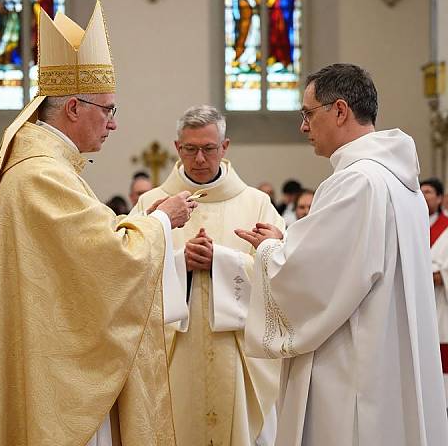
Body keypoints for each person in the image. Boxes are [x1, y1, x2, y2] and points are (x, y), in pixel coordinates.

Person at [0, 0, 197, 446]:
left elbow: (83, 253)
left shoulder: (45, 166)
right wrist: (162, 220)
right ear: (72, 108)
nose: (114, 124)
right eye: (108, 110)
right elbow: (108, 261)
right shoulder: (41, 173)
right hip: (57, 377)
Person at [236, 63, 448, 445]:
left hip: (352, 372)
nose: (303, 126)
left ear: (339, 110)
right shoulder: (402, 183)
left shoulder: (356, 181)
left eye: (307, 113)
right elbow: (347, 263)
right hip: (390, 363)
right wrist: (287, 244)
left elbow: (313, 282)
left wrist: (270, 250)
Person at [132, 105, 284, 446]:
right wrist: (178, 263)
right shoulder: (151, 205)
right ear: (177, 147)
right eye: (190, 149)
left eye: (209, 148)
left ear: (225, 147)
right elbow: (127, 270)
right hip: (173, 352)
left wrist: (221, 260)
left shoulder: (257, 204)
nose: (199, 158)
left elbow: (280, 272)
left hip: (237, 354)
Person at [421, 177, 448, 406]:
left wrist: (421, 275)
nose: (424, 195)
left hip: (440, 306)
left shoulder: (446, 229)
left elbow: (442, 275)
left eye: (428, 191)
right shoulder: (411, 224)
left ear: (440, 198)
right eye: (421, 191)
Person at [232, 0, 256, 66]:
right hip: (240, 19)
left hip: (249, 19)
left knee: (250, 38)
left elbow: (253, 2)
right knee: (241, 38)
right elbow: (235, 4)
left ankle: (249, 60)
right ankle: (239, 58)